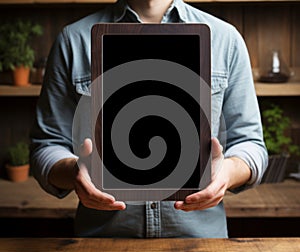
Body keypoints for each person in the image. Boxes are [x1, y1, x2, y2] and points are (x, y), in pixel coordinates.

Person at [30, 0, 268, 238]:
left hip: (201, 246)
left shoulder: (225, 39)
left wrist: (226, 172)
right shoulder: (73, 40)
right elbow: (47, 146)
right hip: (103, 245)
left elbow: (251, 145)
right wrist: (74, 172)